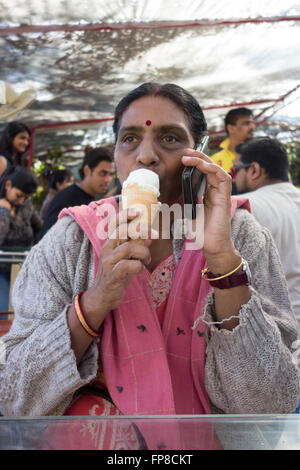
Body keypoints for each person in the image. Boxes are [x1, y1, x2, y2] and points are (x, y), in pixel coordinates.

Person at [0, 83, 299, 450]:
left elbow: (268, 403)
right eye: (129, 139)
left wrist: (223, 261)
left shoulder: (241, 236)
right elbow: (14, 394)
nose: (146, 156)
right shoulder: (72, 239)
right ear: (116, 152)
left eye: (170, 138)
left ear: (199, 155)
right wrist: (95, 301)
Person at [233, 136, 300, 333]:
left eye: (235, 170)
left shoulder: (243, 206)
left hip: (275, 328)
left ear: (254, 170)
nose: (233, 178)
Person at [39, 147, 114, 237]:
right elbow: (48, 236)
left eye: (111, 174)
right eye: (103, 173)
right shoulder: (67, 198)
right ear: (87, 170)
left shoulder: (94, 199)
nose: (108, 180)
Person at [0, 166, 41, 311]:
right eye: (19, 195)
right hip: (2, 271)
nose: (22, 201)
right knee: (6, 313)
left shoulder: (26, 206)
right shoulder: (2, 207)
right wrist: (4, 212)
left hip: (25, 270)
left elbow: (40, 229)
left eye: (26, 197)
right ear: (8, 184)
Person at [212, 108, 255, 173]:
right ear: (230, 128)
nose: (253, 126)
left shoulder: (260, 153)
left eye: (252, 123)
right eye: (246, 123)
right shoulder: (214, 161)